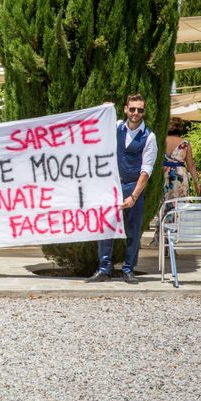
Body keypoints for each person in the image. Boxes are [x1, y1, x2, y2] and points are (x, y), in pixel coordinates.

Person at [87, 94, 157, 284]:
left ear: (144, 111)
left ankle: (128, 269)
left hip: (133, 188)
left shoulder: (149, 137)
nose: (136, 113)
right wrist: (105, 108)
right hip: (111, 187)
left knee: (133, 231)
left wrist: (134, 196)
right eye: (132, 109)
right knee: (105, 228)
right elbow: (97, 124)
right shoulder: (116, 126)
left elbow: (146, 170)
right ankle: (104, 269)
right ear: (126, 109)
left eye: (140, 110)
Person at [151, 117, 201, 245]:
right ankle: (172, 239)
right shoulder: (185, 143)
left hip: (164, 175)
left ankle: (161, 238)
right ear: (180, 128)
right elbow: (191, 166)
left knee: (163, 205)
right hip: (179, 178)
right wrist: (196, 182)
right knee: (178, 207)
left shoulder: (161, 141)